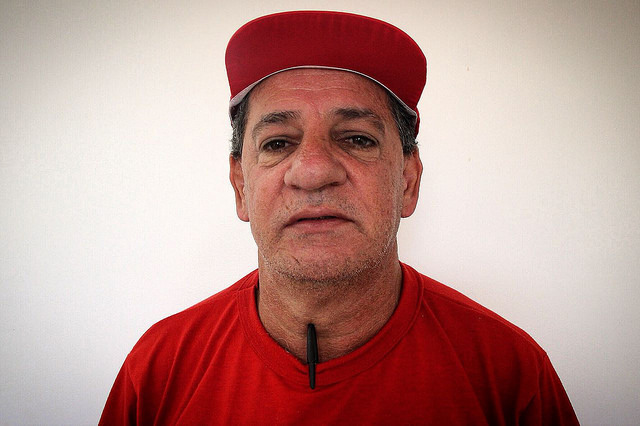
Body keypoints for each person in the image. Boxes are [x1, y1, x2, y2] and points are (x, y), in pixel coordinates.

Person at [100, 11, 579, 425]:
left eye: (356, 139)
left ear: (408, 181)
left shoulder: (509, 376)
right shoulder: (158, 371)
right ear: (241, 186)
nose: (313, 171)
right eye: (278, 143)